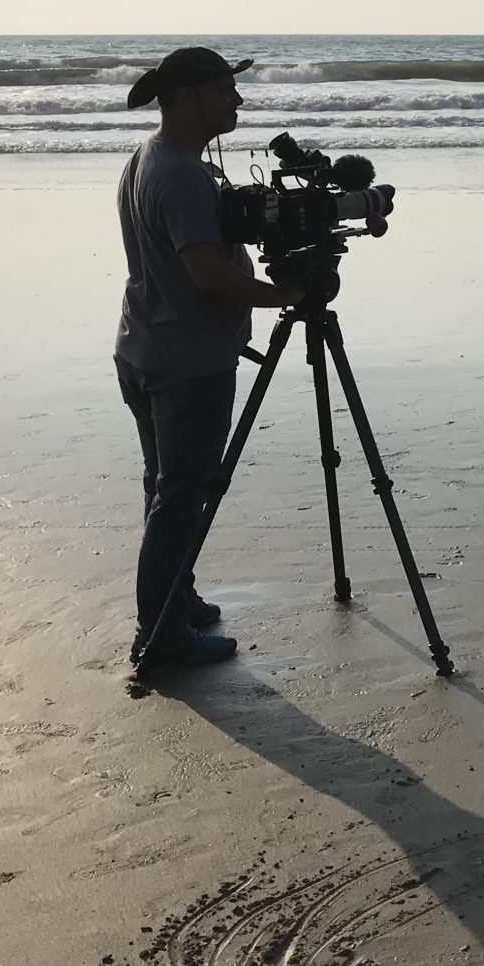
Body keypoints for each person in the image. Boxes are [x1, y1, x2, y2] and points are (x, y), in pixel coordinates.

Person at [114, 47, 301, 666]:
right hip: (187, 363)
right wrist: (288, 295)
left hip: (142, 347)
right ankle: (160, 635)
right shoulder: (184, 176)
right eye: (225, 90)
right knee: (182, 493)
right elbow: (211, 279)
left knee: (165, 487)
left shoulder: (147, 156)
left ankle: (177, 598)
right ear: (188, 97)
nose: (238, 101)